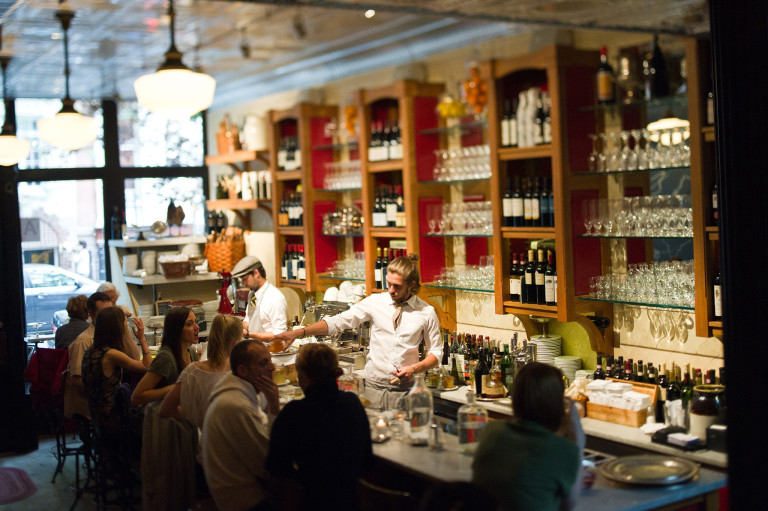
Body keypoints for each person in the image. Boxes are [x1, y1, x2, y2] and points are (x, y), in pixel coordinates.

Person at [271, 254, 442, 410]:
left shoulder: (426, 312)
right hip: (373, 390)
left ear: (411, 285)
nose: (390, 290)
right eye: (388, 283)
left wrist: (415, 368)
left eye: (396, 286)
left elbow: (436, 352)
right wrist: (300, 332)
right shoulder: (376, 302)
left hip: (406, 393)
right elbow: (338, 322)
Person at [266, 343, 372, 511]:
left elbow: (277, 472)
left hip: (311, 503)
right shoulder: (352, 403)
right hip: (351, 502)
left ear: (306, 377)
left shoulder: (294, 413)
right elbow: (367, 459)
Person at [471, 362, 584, 511]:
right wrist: (578, 437)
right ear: (556, 404)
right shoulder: (562, 450)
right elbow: (569, 505)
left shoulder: (492, 432)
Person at [201, 340, 279, 511]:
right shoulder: (237, 405)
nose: (272, 368)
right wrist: (274, 407)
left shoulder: (237, 390)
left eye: (270, 360)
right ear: (243, 371)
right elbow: (267, 464)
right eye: (264, 363)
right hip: (244, 499)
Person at [159, 313, 243, 428]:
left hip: (203, 441)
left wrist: (197, 418)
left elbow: (166, 410)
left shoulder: (192, 372)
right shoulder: (242, 373)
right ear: (236, 344)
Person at [81, 306, 152, 435]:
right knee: (154, 410)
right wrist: (141, 339)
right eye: (124, 323)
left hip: (96, 416)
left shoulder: (91, 351)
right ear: (117, 328)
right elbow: (147, 367)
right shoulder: (111, 354)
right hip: (113, 419)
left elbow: (135, 358)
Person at [65, 291, 119, 419]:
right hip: (93, 405)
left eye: (112, 311)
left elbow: (135, 360)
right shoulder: (84, 341)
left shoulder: (112, 336)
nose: (111, 316)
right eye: (106, 312)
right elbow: (76, 380)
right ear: (91, 314)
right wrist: (103, 394)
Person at [131, 306, 199, 406]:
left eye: (195, 322)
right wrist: (174, 389)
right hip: (164, 417)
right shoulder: (166, 357)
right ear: (176, 330)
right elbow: (136, 397)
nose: (197, 327)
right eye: (189, 324)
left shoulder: (191, 352)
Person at [231, 255, 287, 341]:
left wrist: (249, 335)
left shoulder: (274, 297)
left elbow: (280, 333)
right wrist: (238, 327)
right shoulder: (252, 294)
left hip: (269, 350)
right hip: (254, 346)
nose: (244, 284)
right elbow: (249, 319)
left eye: (245, 279)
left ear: (256, 273)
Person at [97, 281, 142, 360]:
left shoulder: (124, 309)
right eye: (106, 298)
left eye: (112, 297)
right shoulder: (98, 316)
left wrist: (128, 317)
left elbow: (135, 326)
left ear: (117, 296)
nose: (110, 301)